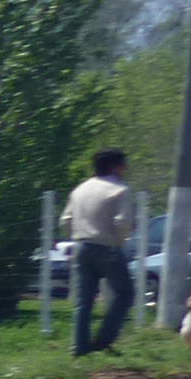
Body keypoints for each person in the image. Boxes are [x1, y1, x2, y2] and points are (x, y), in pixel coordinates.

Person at [64, 149, 134, 356]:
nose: (125, 168)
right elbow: (122, 221)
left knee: (83, 301)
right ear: (114, 166)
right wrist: (119, 242)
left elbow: (66, 220)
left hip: (81, 246)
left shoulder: (80, 190)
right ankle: (104, 339)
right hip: (107, 247)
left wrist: (77, 236)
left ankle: (78, 347)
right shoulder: (119, 189)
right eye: (123, 164)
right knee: (124, 293)